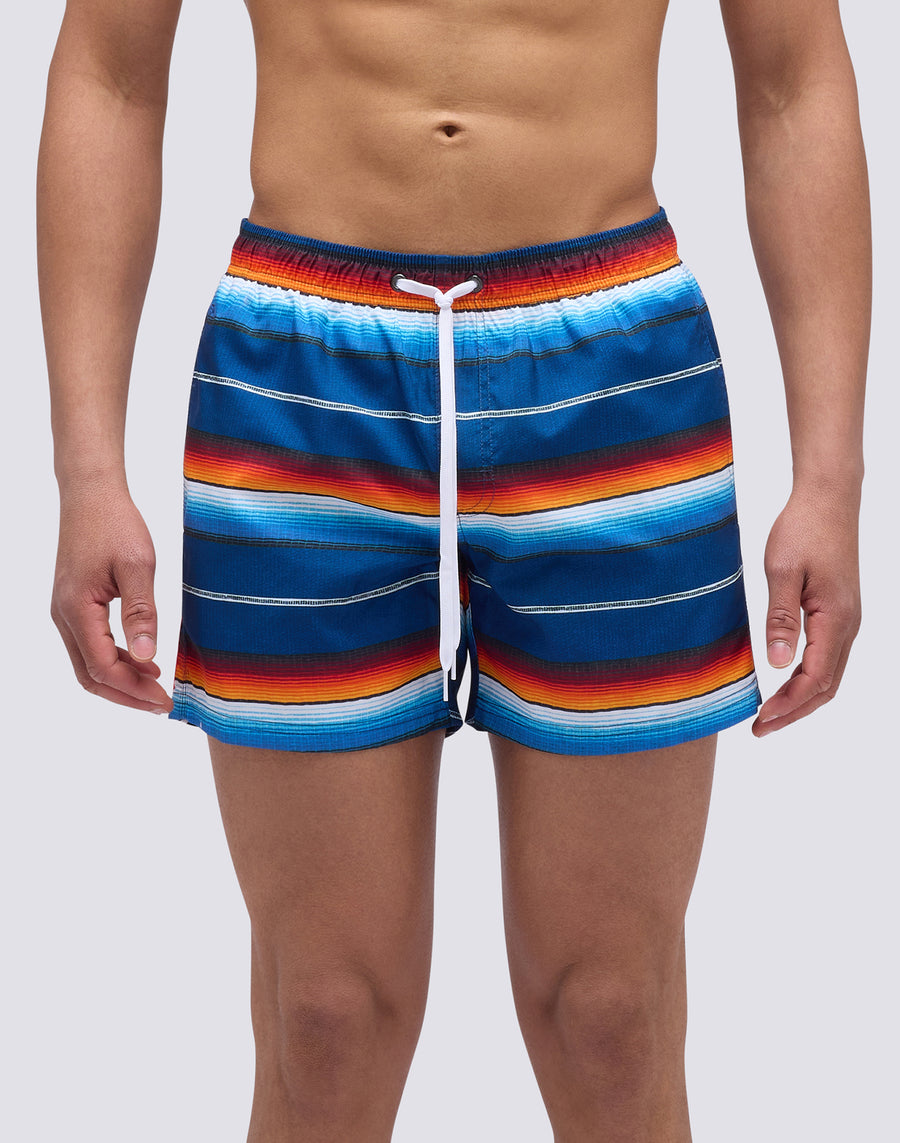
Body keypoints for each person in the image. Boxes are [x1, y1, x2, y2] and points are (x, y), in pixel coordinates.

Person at [37, 0, 869, 1139]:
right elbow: (110, 74)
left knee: (611, 1016)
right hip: (298, 381)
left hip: (615, 373)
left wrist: (831, 476)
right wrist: (87, 468)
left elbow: (792, 80)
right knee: (324, 1018)